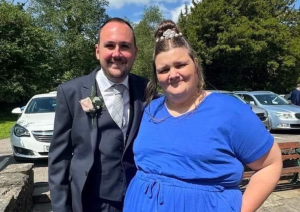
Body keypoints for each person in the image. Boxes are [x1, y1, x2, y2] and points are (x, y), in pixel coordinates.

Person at [123, 20, 282, 212]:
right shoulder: (150, 110)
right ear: (157, 76)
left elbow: (270, 164)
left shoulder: (229, 110)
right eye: (164, 70)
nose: (173, 74)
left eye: (180, 65)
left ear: (195, 64)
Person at [48, 18, 148, 212]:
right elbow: (59, 158)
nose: (117, 54)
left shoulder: (147, 90)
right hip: (90, 201)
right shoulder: (71, 93)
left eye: (125, 46)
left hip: (138, 199)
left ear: (135, 52)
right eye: (109, 45)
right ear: (97, 51)